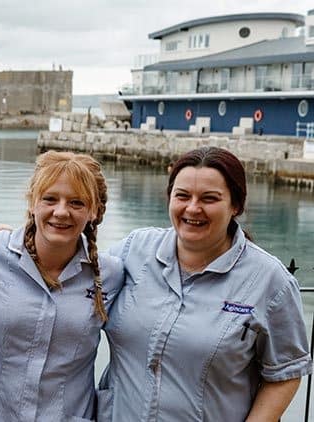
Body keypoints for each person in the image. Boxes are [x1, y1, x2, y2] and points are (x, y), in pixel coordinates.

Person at [99, 146, 311, 421]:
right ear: (170, 198)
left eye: (209, 199)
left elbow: (284, 374)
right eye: (182, 196)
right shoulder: (133, 251)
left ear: (235, 205)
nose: (192, 208)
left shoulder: (270, 281)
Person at [0, 151, 123, 421]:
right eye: (50, 199)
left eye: (77, 202)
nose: (61, 212)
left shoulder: (111, 274)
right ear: (33, 202)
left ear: (93, 211)